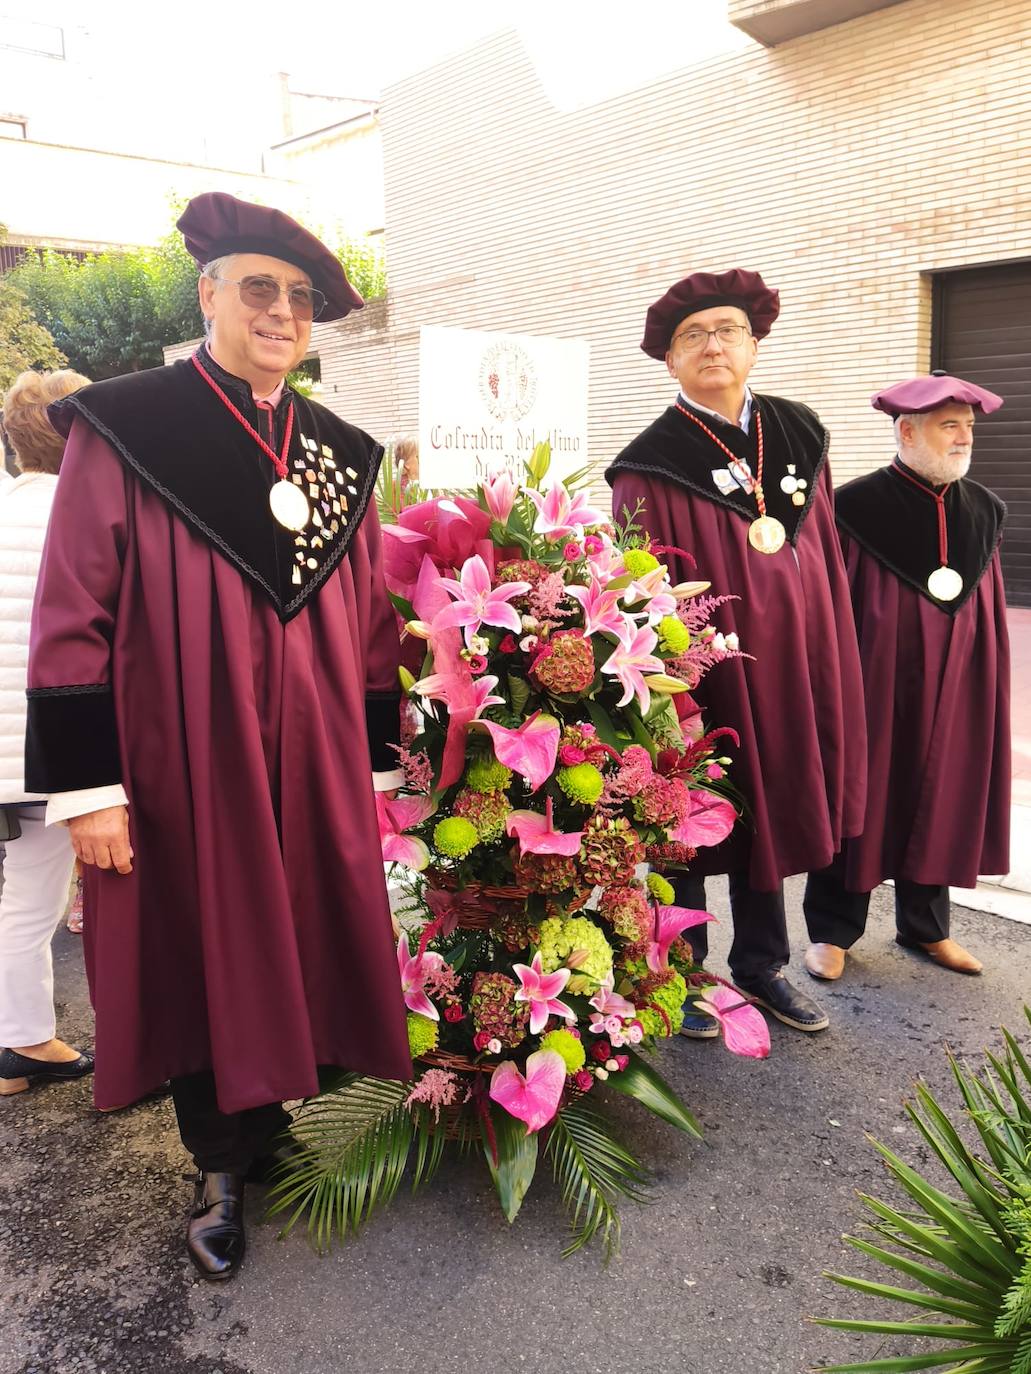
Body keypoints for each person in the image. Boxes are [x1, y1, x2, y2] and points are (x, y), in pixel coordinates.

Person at [24, 193, 411, 1280]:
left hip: (317, 754)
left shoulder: (339, 449)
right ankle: (218, 1161)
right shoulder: (131, 423)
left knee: (297, 924)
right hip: (181, 753)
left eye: (299, 299)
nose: (281, 312)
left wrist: (377, 763)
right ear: (209, 295)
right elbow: (72, 610)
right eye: (258, 289)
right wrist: (90, 786)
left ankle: (279, 1124)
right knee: (205, 931)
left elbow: (374, 618)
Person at [606, 269, 867, 1035]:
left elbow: (820, 545)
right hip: (709, 676)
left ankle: (761, 967)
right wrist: (672, 693)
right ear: (669, 361)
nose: (711, 345)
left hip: (800, 663)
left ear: (753, 344)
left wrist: (832, 644)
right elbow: (642, 593)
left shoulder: (796, 431)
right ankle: (682, 975)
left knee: (772, 811)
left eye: (725, 331)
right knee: (691, 816)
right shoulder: (648, 463)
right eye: (693, 337)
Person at [803, 374, 1010, 980]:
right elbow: (828, 598)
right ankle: (832, 931)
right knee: (862, 793)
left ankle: (927, 928)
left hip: (956, 679)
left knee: (942, 786)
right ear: (907, 430)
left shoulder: (985, 511)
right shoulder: (855, 508)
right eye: (950, 426)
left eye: (968, 427)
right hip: (875, 676)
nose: (963, 439)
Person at [0, 368, 93, 1096]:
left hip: (7, 760)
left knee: (26, 902)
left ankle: (22, 1042)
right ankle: (144, 1047)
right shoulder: (91, 517)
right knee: (132, 900)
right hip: (81, 751)